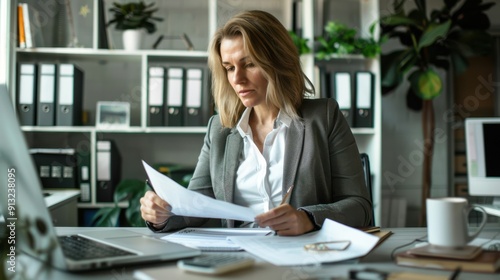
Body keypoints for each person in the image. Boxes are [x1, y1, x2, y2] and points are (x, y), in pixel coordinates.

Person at [140, 10, 372, 236]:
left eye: (249, 64)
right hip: (239, 259)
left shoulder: (323, 118)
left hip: (302, 256)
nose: (237, 79)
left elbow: (359, 207)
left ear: (278, 61)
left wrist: (308, 218)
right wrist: (161, 214)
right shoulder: (219, 130)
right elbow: (193, 207)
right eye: (229, 68)